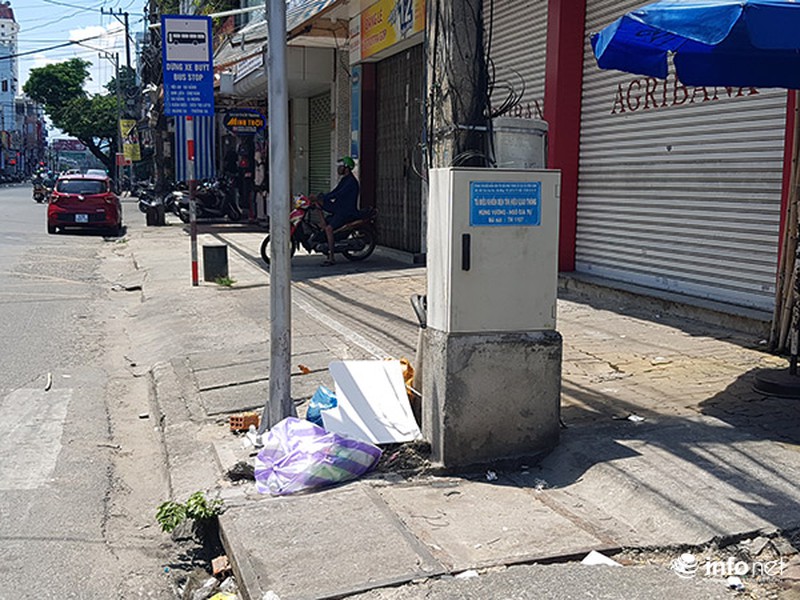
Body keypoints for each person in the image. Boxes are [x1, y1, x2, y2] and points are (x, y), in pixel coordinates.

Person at [315, 156, 360, 266]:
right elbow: (334, 192)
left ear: (346, 168)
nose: (338, 168)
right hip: (339, 208)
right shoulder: (344, 180)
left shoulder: (351, 182)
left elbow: (338, 194)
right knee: (317, 204)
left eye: (341, 166)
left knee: (329, 228)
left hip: (345, 211)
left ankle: (331, 257)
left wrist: (324, 198)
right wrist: (322, 197)